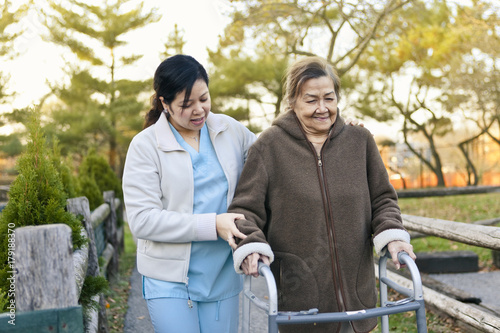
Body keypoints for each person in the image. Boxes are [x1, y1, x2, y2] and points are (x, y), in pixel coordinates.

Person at [229, 56, 416, 333]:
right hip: (301, 301)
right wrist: (252, 246)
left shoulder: (359, 141)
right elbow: (245, 211)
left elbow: (382, 199)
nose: (322, 108)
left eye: (329, 98)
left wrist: (393, 234)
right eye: (311, 100)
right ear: (292, 101)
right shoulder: (268, 146)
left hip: (357, 297)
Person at [122, 54, 256, 332]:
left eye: (204, 99)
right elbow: (143, 220)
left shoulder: (231, 130)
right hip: (168, 279)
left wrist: (337, 132)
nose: (199, 110)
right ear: (164, 103)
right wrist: (213, 223)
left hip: (222, 274)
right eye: (186, 104)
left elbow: (276, 156)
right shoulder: (145, 146)